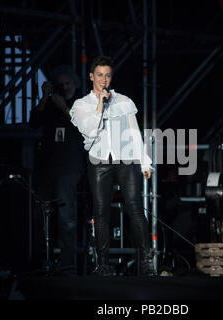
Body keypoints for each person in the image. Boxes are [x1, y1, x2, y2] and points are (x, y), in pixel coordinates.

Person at [69, 56, 157, 276]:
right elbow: (90, 131)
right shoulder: (82, 105)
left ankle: (146, 262)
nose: (104, 80)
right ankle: (103, 264)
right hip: (99, 162)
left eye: (107, 75)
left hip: (126, 159)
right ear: (91, 76)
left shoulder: (123, 101)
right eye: (99, 75)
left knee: (135, 207)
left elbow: (135, 134)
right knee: (101, 212)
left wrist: (144, 161)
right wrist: (100, 104)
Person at [29, 65, 85, 276]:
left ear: (75, 84)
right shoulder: (51, 103)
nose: (65, 87)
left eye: (68, 83)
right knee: (40, 215)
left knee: (66, 218)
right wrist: (44, 98)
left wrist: (64, 107)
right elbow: (33, 122)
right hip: (46, 167)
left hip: (69, 167)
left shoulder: (82, 103)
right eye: (60, 84)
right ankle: (41, 261)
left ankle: (67, 266)